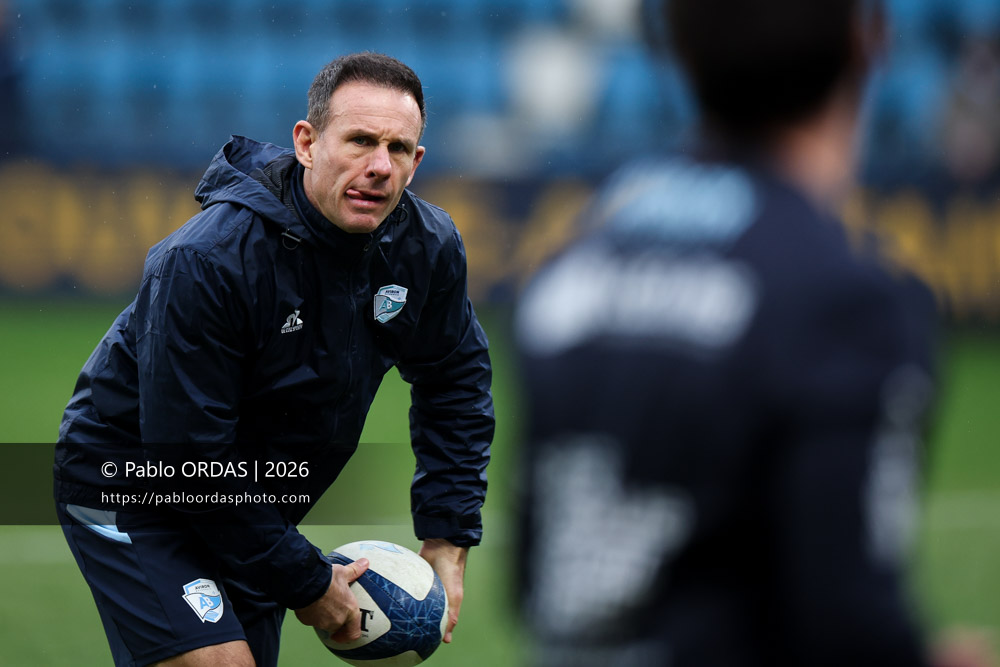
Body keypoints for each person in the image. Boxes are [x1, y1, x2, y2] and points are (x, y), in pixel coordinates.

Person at [514, 1, 983, 665]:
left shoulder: (572, 267)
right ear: (868, 40)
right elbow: (851, 628)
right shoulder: (843, 297)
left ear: (679, 49)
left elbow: (536, 581)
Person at [55, 52, 494, 667]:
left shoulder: (426, 248)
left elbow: (454, 379)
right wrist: (308, 581)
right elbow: (190, 455)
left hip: (253, 502)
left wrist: (448, 533)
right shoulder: (207, 261)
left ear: (417, 162)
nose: (378, 167)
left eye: (398, 149)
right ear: (307, 143)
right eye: (361, 140)